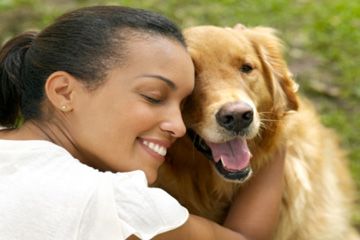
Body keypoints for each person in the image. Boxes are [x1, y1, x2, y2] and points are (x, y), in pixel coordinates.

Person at [0, 5, 285, 240]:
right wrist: (277, 142)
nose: (179, 126)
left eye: (183, 103)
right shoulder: (114, 202)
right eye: (153, 96)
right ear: (64, 92)